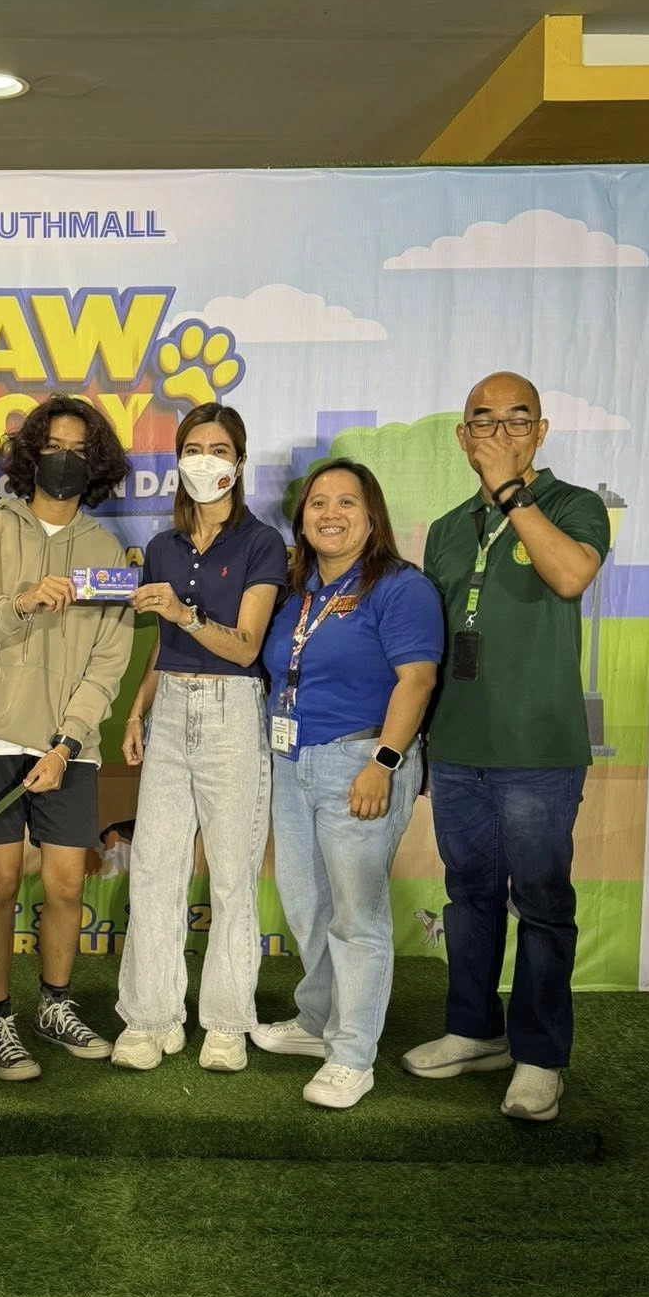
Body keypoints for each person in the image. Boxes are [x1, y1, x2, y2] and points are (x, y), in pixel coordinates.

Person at [402, 374, 610, 1123]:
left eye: (515, 419)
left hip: (540, 751)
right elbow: (430, 638)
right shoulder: (450, 526)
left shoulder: (571, 504)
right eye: (481, 421)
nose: (497, 432)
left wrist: (512, 494)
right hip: (458, 748)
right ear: (462, 439)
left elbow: (569, 574)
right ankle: (474, 1028)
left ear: (541, 431)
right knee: (471, 896)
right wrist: (419, 738)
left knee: (544, 904)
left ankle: (541, 1054)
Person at [0, 394, 134, 1081]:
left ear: (96, 463)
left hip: (66, 748)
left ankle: (54, 1005)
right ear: (30, 455)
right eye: (54, 446)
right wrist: (18, 603)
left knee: (62, 882)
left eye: (80, 450)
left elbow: (108, 661)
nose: (65, 459)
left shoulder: (108, 553)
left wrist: (67, 743)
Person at [258, 459, 442, 1109]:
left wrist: (384, 763)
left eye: (346, 503)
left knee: (357, 917)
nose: (329, 513)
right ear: (301, 517)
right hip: (290, 763)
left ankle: (353, 1054)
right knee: (307, 904)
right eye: (317, 503)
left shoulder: (400, 588)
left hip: (360, 762)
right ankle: (317, 1021)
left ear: (372, 517)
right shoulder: (296, 590)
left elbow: (416, 680)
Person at [112, 404, 288, 1073]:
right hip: (172, 708)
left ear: (239, 463)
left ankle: (225, 1022)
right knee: (155, 866)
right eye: (193, 447)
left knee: (232, 874)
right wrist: (136, 713)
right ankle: (151, 1017)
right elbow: (164, 648)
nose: (205, 460)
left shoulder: (261, 542)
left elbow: (244, 648)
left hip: (232, 710)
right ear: (177, 458)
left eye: (219, 449)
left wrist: (183, 612)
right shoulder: (162, 546)